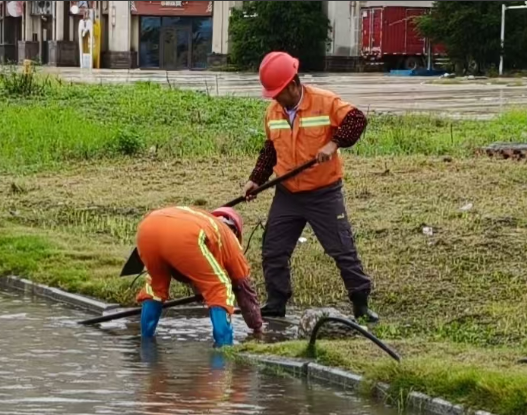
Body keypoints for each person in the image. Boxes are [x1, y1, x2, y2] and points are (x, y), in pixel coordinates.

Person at [242, 51, 378, 323]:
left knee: (342, 249)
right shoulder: (273, 113)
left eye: (279, 93)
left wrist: (333, 143)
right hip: (288, 193)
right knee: (273, 249)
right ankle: (276, 303)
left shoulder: (325, 102)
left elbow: (356, 120)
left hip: (323, 192)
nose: (276, 99)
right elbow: (271, 150)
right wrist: (256, 179)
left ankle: (361, 304)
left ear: (293, 84)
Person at [135, 205, 264, 347]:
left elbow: (195, 271)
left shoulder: (203, 221)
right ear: (236, 232)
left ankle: (146, 342)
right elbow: (244, 288)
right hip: (184, 235)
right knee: (219, 288)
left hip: (147, 228)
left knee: (156, 286)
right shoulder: (230, 237)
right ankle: (224, 349)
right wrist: (256, 326)